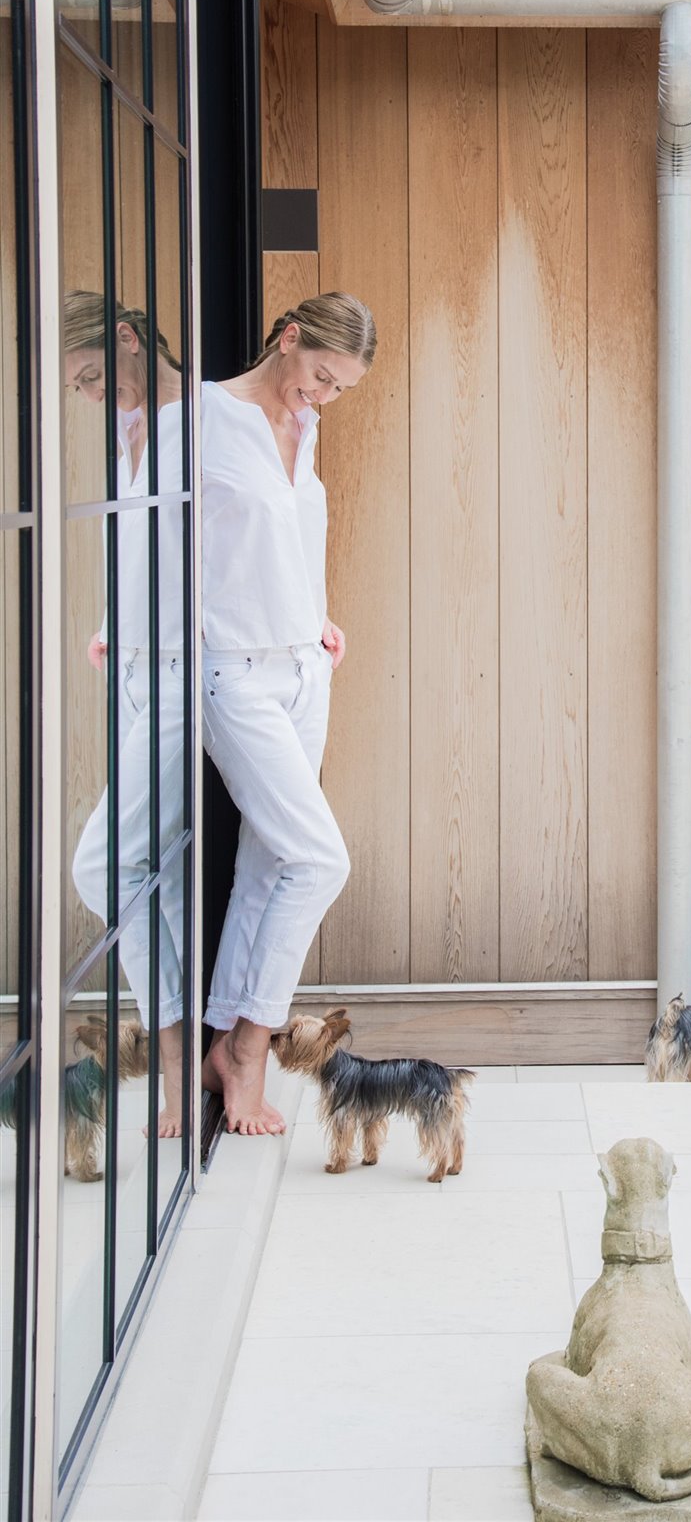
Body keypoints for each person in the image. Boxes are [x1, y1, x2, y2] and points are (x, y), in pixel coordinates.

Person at [198, 293, 375, 1135]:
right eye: (319, 377)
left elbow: (297, 539)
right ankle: (249, 1049)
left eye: (339, 390)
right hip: (232, 671)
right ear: (289, 337)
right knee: (319, 860)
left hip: (307, 668)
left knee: (270, 864)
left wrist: (319, 613)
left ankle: (223, 1035)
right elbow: (166, 549)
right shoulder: (200, 417)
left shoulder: (307, 430)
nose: (322, 397)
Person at [65, 291, 188, 1139]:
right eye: (79, 388)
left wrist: (306, 614)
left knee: (102, 868)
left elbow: (262, 529)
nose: (92, 395)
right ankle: (192, 1065)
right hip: (141, 675)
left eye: (94, 374)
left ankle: (184, 1060)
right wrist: (114, 630)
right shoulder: (131, 432)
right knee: (159, 874)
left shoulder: (202, 422)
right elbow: (142, 553)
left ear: (130, 339)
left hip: (191, 677)